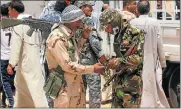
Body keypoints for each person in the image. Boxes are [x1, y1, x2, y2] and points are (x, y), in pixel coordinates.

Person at [45, 5, 105, 108]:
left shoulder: (68, 35)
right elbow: (67, 65)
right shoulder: (57, 38)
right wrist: (92, 69)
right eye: (79, 21)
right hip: (63, 87)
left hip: (74, 84)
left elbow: (73, 53)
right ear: (72, 20)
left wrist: (84, 37)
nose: (81, 24)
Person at [99, 8, 145, 108]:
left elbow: (138, 58)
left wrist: (117, 61)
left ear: (114, 22)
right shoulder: (118, 34)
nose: (107, 30)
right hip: (118, 85)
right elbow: (121, 55)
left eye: (107, 27)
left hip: (130, 86)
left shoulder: (135, 32)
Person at [6, 0, 49, 107]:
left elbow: (16, 45)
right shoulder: (32, 22)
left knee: (34, 88)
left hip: (26, 61)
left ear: (14, 10)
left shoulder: (19, 24)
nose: (9, 13)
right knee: (23, 87)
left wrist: (11, 63)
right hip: (33, 59)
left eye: (9, 10)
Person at [130, 0, 170, 107]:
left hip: (134, 60)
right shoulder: (155, 23)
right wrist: (163, 63)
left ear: (137, 10)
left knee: (137, 85)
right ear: (149, 10)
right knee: (150, 85)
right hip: (150, 59)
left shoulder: (132, 23)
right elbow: (159, 44)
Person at [74, 1, 105, 108]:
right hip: (91, 63)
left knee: (80, 92)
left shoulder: (73, 21)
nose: (91, 9)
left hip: (78, 63)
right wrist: (102, 57)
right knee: (94, 92)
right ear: (82, 7)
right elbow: (94, 41)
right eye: (89, 7)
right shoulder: (88, 20)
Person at [0, 3, 15, 108]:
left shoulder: (1, 24)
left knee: (5, 82)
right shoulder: (13, 24)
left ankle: (12, 103)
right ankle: (3, 101)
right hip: (13, 57)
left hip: (4, 57)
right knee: (9, 81)